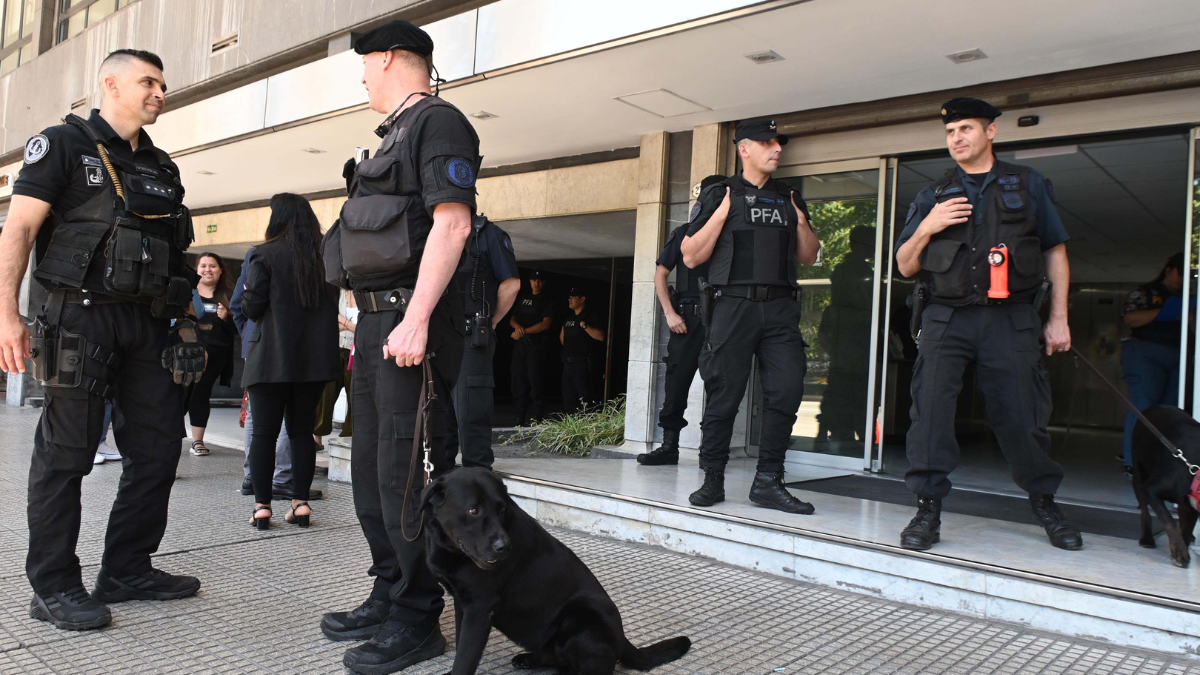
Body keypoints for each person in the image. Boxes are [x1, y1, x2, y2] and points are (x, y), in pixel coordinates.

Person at [0, 49, 202, 631]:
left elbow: (173, 252)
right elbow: (20, 229)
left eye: (163, 83)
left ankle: (128, 569)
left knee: (158, 449)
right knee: (67, 455)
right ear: (109, 83)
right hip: (77, 317)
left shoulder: (161, 165)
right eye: (148, 81)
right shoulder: (61, 144)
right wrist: (7, 313)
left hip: (147, 324)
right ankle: (54, 585)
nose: (159, 91)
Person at [318, 20, 479, 675]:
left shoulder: (440, 123)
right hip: (379, 328)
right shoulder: (395, 136)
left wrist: (415, 319)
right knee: (368, 476)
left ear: (386, 58)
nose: (361, 78)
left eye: (364, 64)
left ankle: (418, 618)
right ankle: (390, 589)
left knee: (403, 475)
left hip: (414, 327)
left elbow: (453, 222)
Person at [893, 97, 1079, 551]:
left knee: (1023, 415)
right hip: (946, 318)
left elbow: (1055, 251)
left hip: (1010, 318)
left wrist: (1058, 319)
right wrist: (928, 226)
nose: (956, 139)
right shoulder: (931, 195)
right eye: (950, 132)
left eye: (966, 129)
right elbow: (904, 265)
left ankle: (1044, 502)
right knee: (930, 415)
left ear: (990, 131)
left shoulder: (1028, 184)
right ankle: (927, 510)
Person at [680, 119, 822, 515]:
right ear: (744, 148)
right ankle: (712, 479)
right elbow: (691, 256)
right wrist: (722, 215)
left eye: (778, 143)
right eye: (767, 142)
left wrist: (801, 220)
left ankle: (768, 483)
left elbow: (809, 256)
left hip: (779, 308)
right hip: (733, 306)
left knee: (787, 391)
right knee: (724, 395)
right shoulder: (718, 194)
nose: (776, 149)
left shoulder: (790, 196)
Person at [240, 193, 339, 529]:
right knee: (301, 433)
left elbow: (251, 306)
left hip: (270, 358)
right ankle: (300, 504)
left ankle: (262, 507)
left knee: (264, 435)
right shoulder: (325, 256)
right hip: (313, 362)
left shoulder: (264, 253)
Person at [639, 174, 726, 465]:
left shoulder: (731, 236)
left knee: (720, 386)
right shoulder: (684, 233)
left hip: (722, 321)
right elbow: (660, 274)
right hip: (687, 320)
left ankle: (712, 451)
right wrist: (670, 313)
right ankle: (669, 446)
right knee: (676, 384)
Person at [231, 248, 322, 501]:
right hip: (301, 351)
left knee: (261, 424)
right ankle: (293, 495)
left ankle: (262, 500)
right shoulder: (314, 257)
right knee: (298, 429)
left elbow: (243, 303)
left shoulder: (260, 254)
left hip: (266, 350)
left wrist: (252, 337)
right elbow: (239, 306)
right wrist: (250, 337)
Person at [446, 214, 519, 469]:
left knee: (471, 410)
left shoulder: (488, 234)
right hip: (439, 336)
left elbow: (511, 284)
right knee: (438, 410)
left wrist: (493, 321)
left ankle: (477, 476)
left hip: (471, 335)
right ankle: (439, 472)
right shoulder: (433, 230)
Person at [1120, 252, 1186, 475]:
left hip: (1179, 353)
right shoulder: (1145, 292)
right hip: (1145, 352)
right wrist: (1167, 310)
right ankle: (1134, 464)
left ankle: (1164, 464)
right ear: (1169, 269)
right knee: (1144, 408)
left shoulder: (1189, 294)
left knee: (1173, 413)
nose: (1182, 278)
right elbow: (1131, 318)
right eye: (1180, 271)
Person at [186, 252, 236, 456]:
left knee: (200, 393)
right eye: (203, 266)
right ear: (196, 270)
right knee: (181, 395)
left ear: (220, 269)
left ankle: (197, 441)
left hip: (217, 355)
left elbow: (241, 329)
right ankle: (172, 438)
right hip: (187, 354)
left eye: (212, 266)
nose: (208, 270)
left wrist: (227, 318)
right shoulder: (188, 294)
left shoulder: (230, 296)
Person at [509, 269, 553, 425]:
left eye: (540, 280)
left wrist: (523, 332)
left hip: (536, 346)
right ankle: (519, 417)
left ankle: (537, 418)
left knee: (536, 381)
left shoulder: (546, 300)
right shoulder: (524, 299)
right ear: (530, 282)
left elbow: (546, 324)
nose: (537, 283)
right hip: (521, 346)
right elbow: (513, 318)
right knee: (518, 380)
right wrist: (517, 327)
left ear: (544, 282)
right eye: (534, 280)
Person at [314, 289, 357, 447]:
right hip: (334, 347)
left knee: (355, 394)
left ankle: (350, 436)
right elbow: (328, 315)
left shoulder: (361, 292)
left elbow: (361, 326)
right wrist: (350, 325)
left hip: (356, 349)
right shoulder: (335, 292)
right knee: (325, 393)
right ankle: (317, 439)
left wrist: (344, 323)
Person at [559, 287, 606, 413]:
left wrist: (584, 325)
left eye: (573, 297)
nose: (570, 299)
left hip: (583, 363)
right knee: (568, 398)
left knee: (585, 398)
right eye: (569, 297)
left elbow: (601, 336)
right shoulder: (568, 319)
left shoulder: (591, 316)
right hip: (568, 363)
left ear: (582, 299)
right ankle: (570, 427)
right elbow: (563, 339)